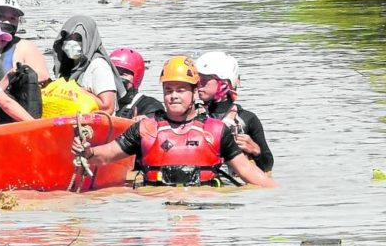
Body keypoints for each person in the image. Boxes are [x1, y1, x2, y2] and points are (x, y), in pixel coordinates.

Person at [71, 55, 278, 187]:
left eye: (181, 90)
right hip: (156, 205)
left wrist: (280, 195)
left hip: (205, 206)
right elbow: (106, 156)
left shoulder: (216, 131)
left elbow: (247, 171)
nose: (174, 96)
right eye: (168, 90)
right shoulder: (145, 128)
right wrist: (87, 151)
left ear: (194, 92)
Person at [195, 52, 274, 173]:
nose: (199, 85)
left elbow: (267, 166)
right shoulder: (191, 115)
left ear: (224, 83)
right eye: (197, 80)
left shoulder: (247, 119)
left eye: (204, 80)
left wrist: (255, 150)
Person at [52, 15, 125, 114]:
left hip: (92, 126)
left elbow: (107, 107)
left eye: (78, 38)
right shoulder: (66, 67)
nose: (72, 43)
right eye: (69, 38)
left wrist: (74, 91)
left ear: (89, 40)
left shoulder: (98, 66)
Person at [0, 0, 50, 85]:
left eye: (12, 18)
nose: (7, 22)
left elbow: (44, 77)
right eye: (1, 16)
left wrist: (17, 78)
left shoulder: (25, 47)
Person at [109, 48, 164, 119]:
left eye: (123, 74)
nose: (116, 78)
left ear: (136, 77)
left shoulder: (150, 106)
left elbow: (158, 119)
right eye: (113, 72)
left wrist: (147, 121)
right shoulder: (100, 102)